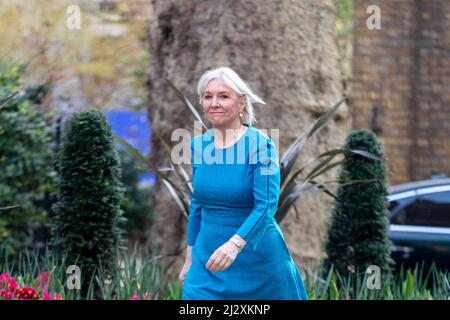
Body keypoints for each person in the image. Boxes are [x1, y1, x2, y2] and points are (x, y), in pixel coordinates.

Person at [179, 66, 308, 300]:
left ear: (241, 103)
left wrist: (234, 245)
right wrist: (189, 257)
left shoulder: (261, 145)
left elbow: (267, 204)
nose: (214, 103)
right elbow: (198, 203)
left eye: (223, 96)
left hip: (256, 262)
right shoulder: (198, 146)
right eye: (208, 97)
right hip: (207, 261)